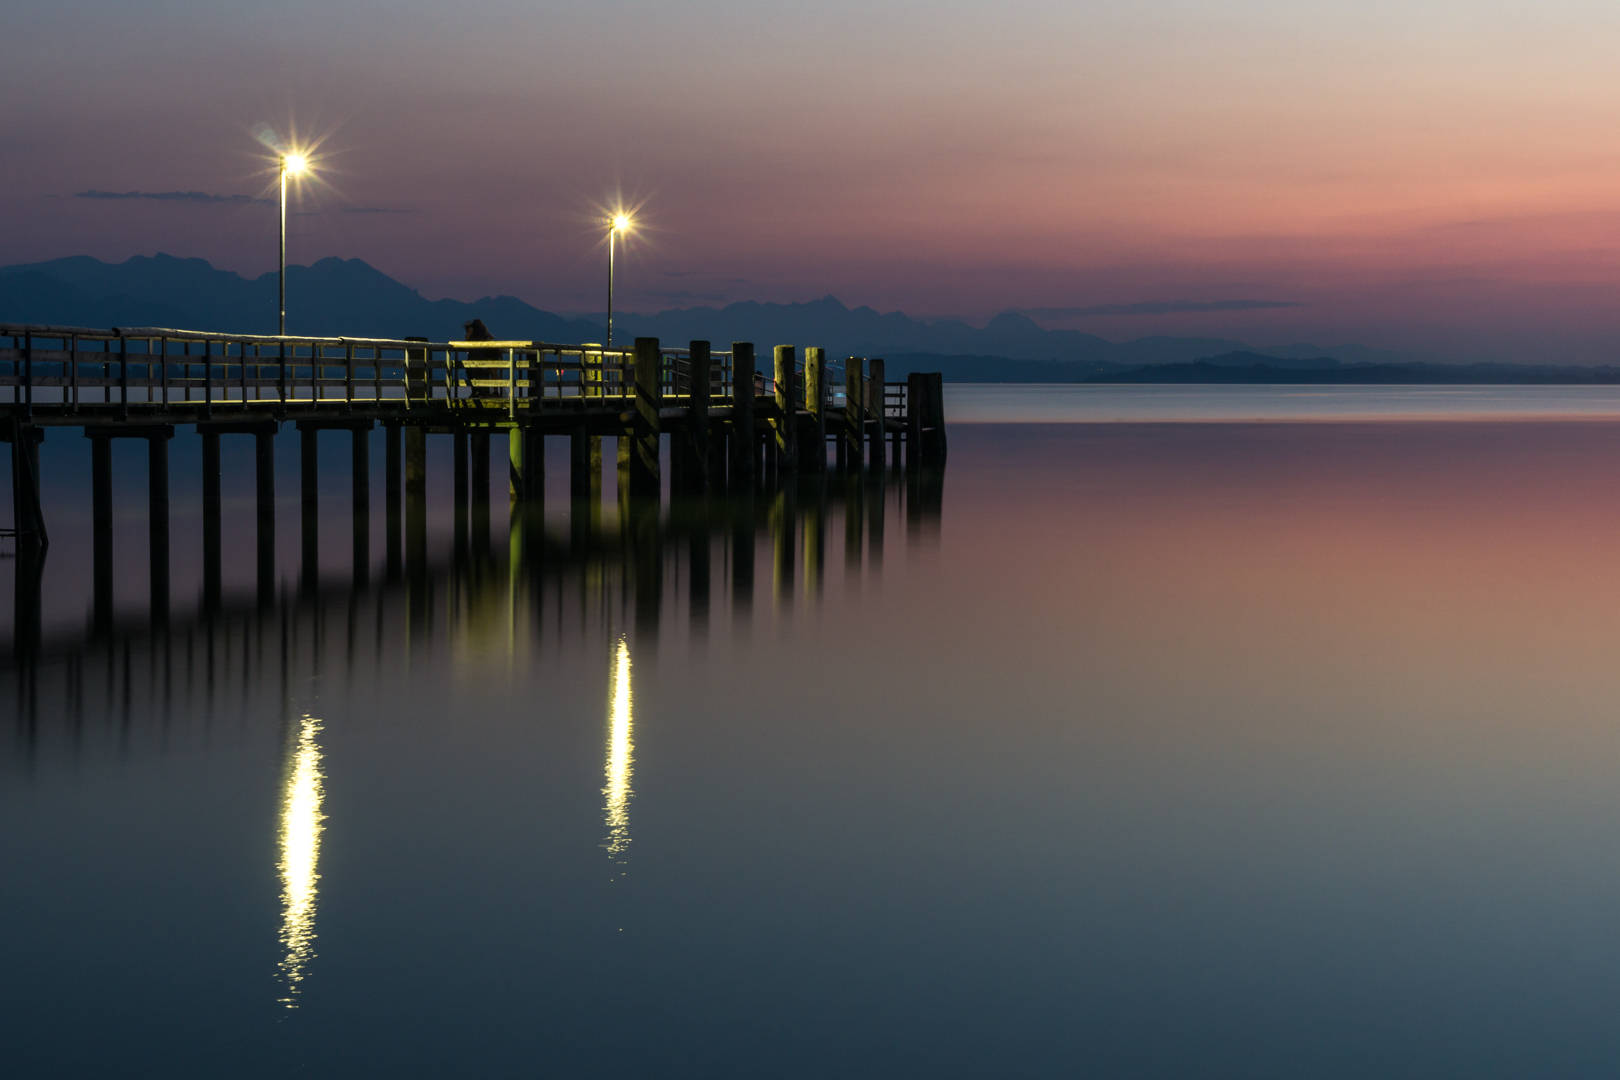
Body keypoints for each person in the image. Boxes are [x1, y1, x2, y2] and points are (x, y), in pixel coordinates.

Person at [462, 318, 500, 399]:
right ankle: (493, 392)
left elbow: (466, 338)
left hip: (483, 353)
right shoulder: (483, 330)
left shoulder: (472, 328)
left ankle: (478, 392)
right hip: (489, 353)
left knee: (472, 371)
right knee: (490, 372)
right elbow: (492, 337)